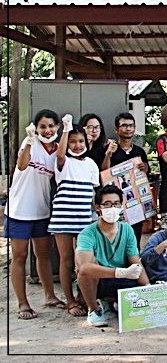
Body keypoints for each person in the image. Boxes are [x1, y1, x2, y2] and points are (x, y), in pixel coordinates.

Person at [7, 110, 65, 320]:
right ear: (36, 128)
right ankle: (23, 303)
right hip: (19, 210)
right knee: (20, 256)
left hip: (42, 210)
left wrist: (68, 131)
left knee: (43, 254)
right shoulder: (30, 142)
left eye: (51, 126)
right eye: (43, 127)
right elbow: (22, 165)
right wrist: (30, 140)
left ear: (57, 127)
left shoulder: (58, 149)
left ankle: (50, 296)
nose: (47, 130)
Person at [75, 184, 149, 327]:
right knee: (85, 271)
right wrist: (120, 272)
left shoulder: (127, 229)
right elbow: (84, 268)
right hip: (99, 281)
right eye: (107, 204)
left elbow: (135, 262)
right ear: (98, 207)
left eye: (116, 204)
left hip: (123, 279)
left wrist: (148, 287)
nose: (112, 208)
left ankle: (109, 302)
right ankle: (94, 310)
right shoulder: (87, 233)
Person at [49, 117, 100, 317]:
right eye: (72, 141)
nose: (77, 145)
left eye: (80, 141)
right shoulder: (62, 162)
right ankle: (70, 301)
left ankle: (84, 297)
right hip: (63, 218)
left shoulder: (91, 164)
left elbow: (94, 193)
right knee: (66, 260)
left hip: (84, 219)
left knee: (84, 262)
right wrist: (65, 129)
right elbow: (60, 154)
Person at [101, 112, 150, 244]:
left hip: (135, 202)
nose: (128, 129)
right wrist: (108, 155)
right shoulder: (109, 149)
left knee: (135, 239)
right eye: (124, 125)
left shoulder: (139, 151)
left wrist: (145, 168)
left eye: (131, 126)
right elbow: (104, 172)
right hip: (115, 202)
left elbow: (146, 174)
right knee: (115, 238)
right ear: (116, 129)